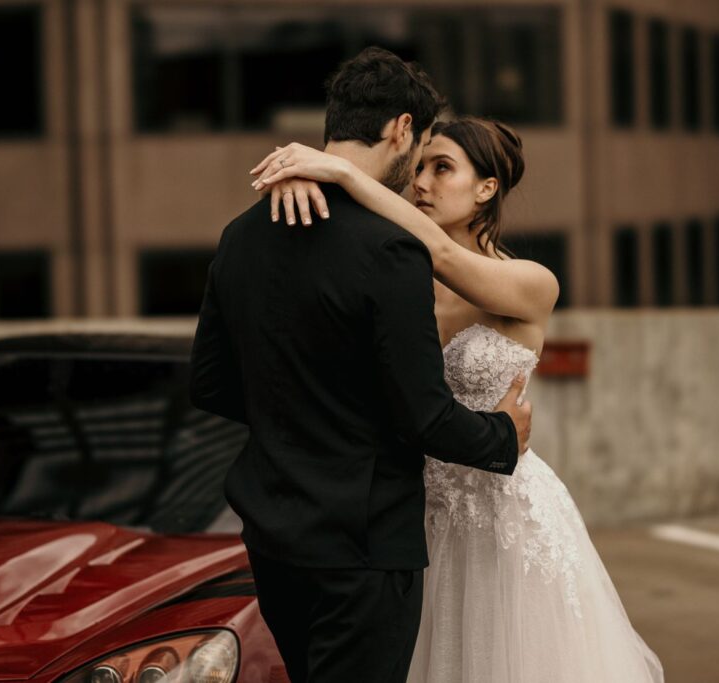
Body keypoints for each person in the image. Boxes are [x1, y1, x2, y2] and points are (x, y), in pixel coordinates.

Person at [250, 116, 665, 682]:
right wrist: (297, 178)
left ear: (486, 188)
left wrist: (338, 170)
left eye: (442, 168)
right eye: (418, 166)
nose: (421, 182)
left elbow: (445, 256)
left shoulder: (530, 282)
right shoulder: (400, 278)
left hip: (501, 514)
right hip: (407, 512)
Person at [189, 48, 533, 683]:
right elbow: (423, 416)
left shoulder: (240, 234)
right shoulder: (389, 249)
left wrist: (295, 414)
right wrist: (503, 435)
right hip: (363, 546)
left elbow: (209, 382)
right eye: (423, 144)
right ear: (402, 129)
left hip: (272, 537)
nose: (419, 173)